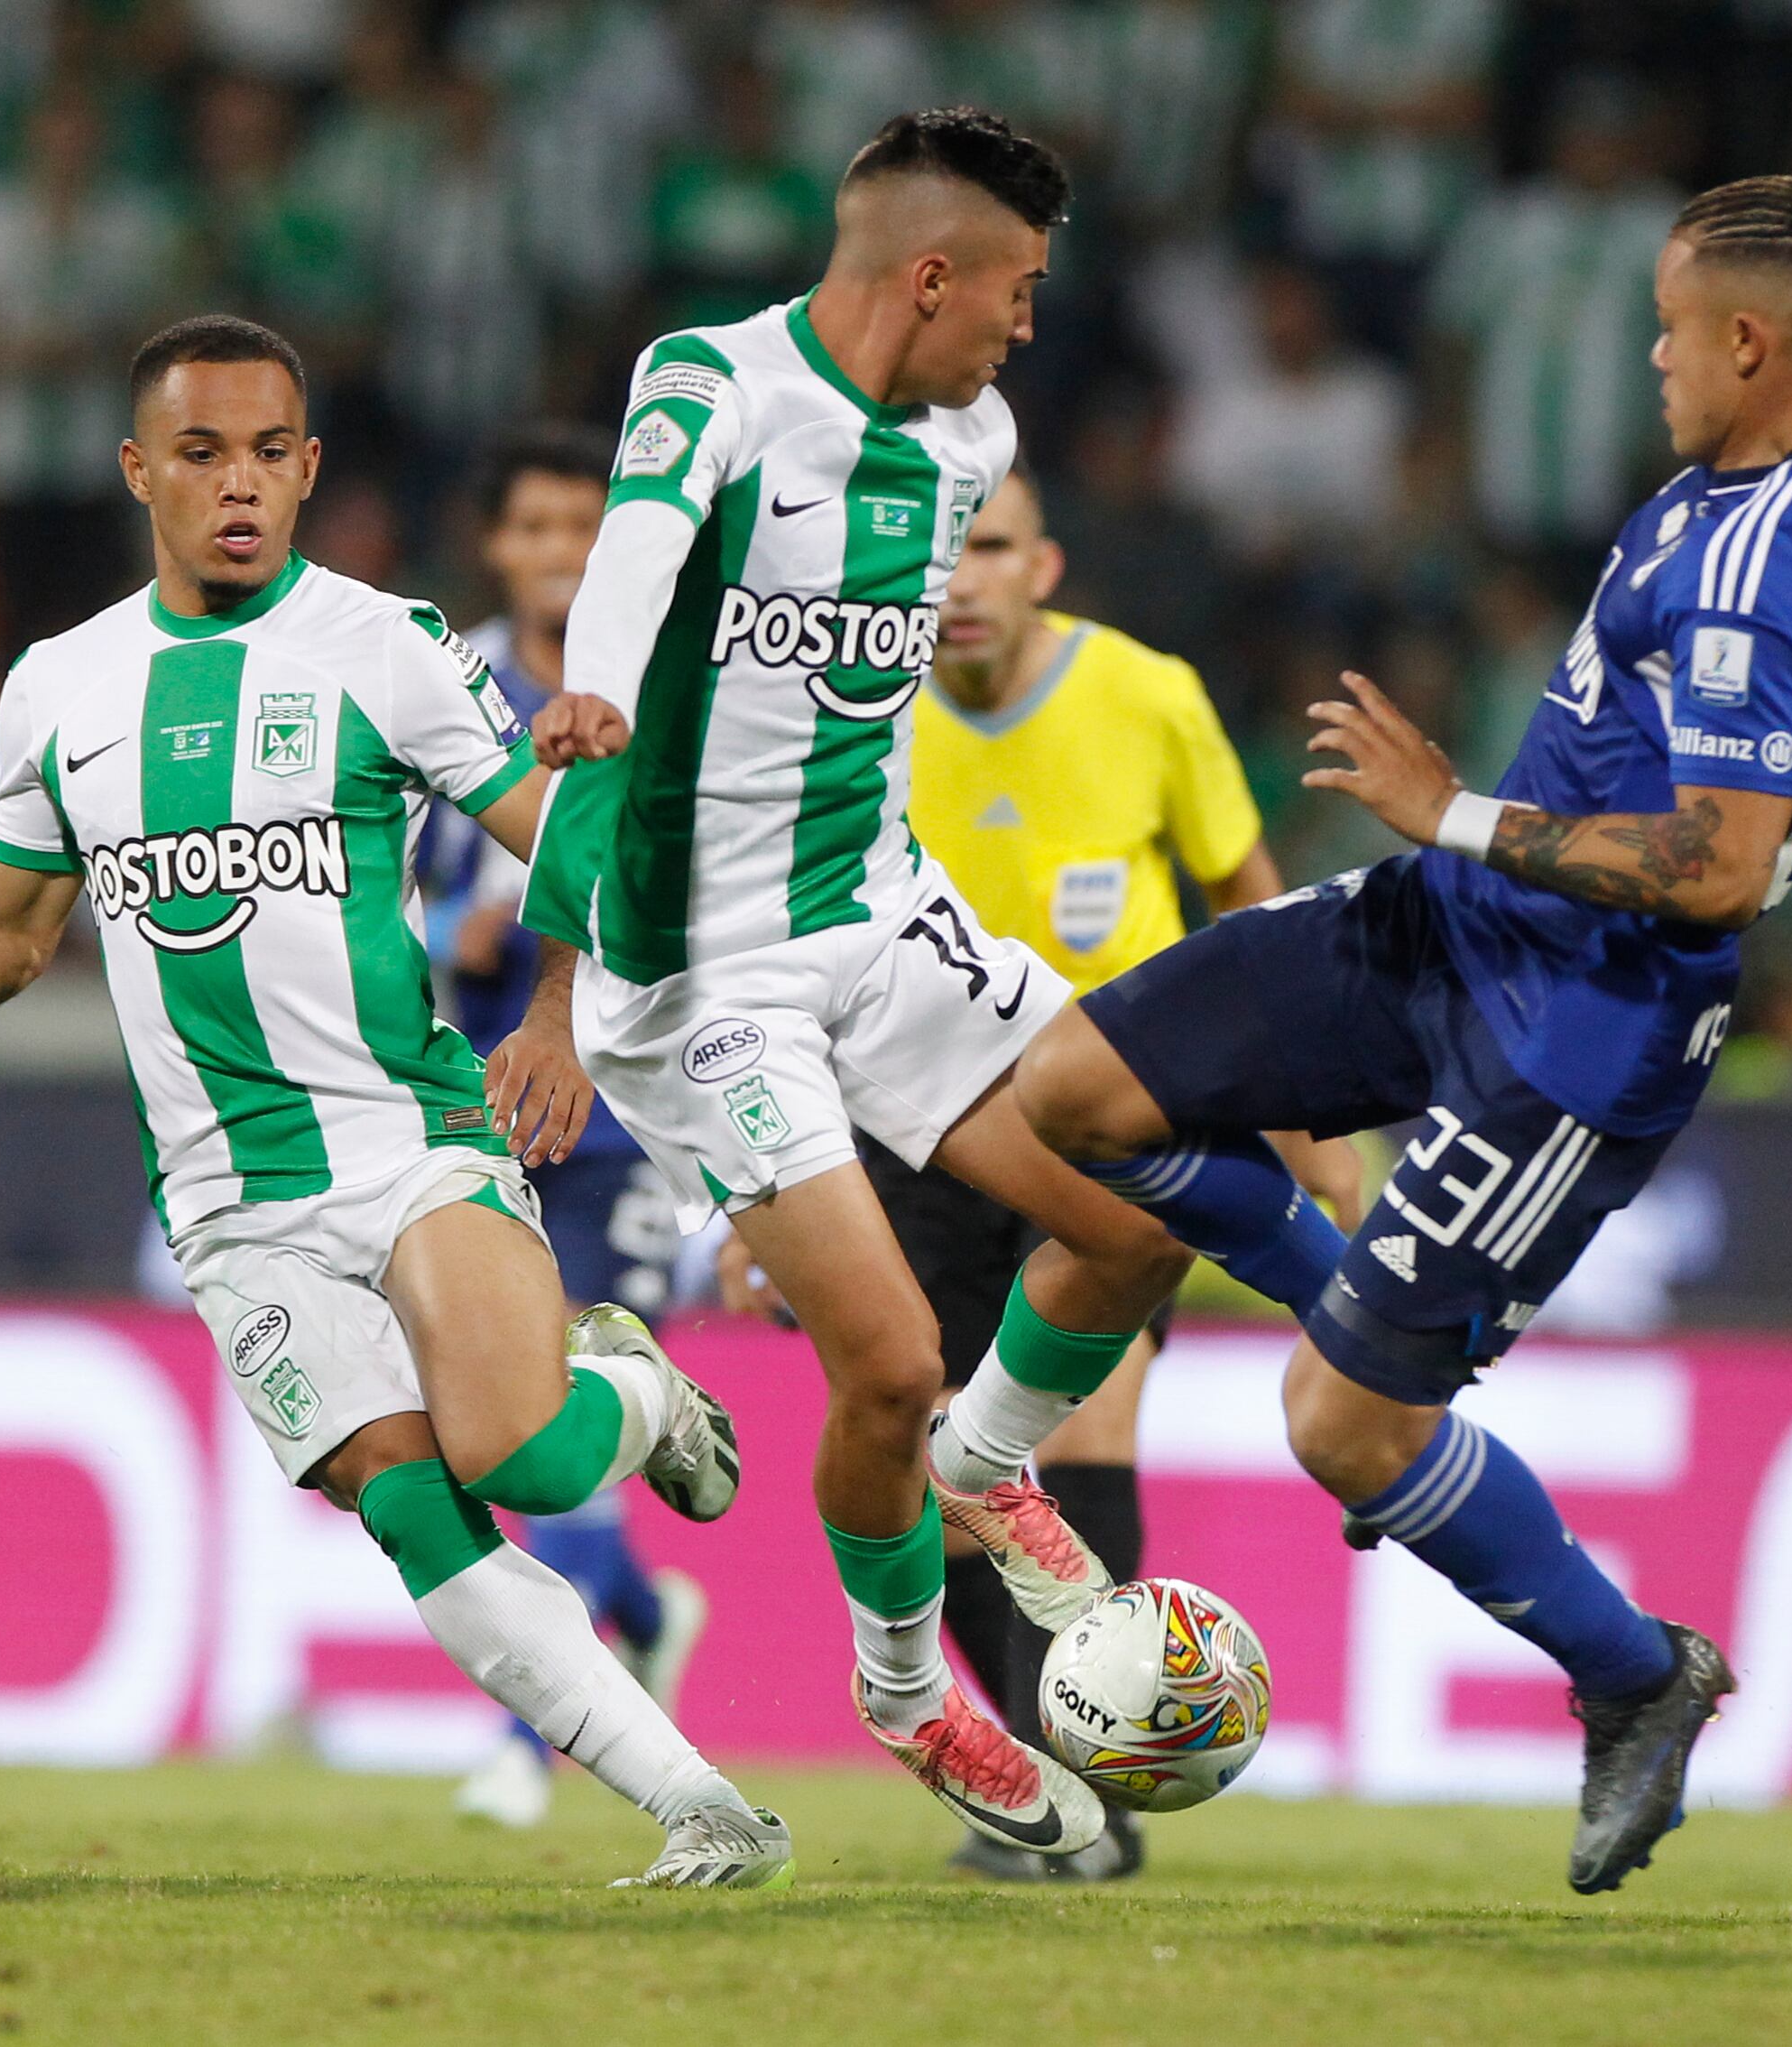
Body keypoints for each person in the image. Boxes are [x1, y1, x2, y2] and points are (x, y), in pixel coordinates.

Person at [1011, 174, 1792, 1894]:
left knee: (1345, 1428)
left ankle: (1635, 1673)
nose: (1653, 358)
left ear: (1753, 343)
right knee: (1073, 1089)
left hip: (1577, 1031)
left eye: (1674, 330)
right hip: (1455, 926)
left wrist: (1453, 809)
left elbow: (1718, 870)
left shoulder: (1768, 564)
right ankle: (1360, 1292)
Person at [0, 316, 789, 1892]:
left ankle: (639, 1400)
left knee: (522, 1448)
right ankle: (705, 1806)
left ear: (309, 467)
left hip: (408, 1134)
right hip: (230, 1201)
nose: (237, 483)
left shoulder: (388, 646)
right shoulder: (60, 687)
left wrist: (564, 1013)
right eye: (199, 452)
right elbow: (3, 933)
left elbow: (566, 828)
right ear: (137, 471)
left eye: (268, 452)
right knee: (417, 1512)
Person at [522, 108, 1197, 1857]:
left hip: (880, 916)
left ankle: (986, 1468)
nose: (1026, 327)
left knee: (1138, 1207)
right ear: (929, 275)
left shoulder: (969, 439)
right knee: (886, 1363)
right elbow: (635, 548)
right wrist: (597, 689)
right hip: (706, 974)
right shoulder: (714, 385)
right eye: (1018, 290)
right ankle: (906, 1694)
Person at [721, 459, 1360, 1880]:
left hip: (1117, 1128)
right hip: (906, 1128)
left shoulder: (1148, 697)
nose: (960, 582)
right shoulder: (849, 719)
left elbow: (1253, 912)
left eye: (992, 549)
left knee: (1068, 1444)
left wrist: (1324, 1138)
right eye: (943, 554)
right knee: (925, 1456)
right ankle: (1041, 1788)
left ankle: (1104, 1798)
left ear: (1044, 565)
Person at [423, 426, 710, 1832]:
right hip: (477, 1100)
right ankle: (644, 1613)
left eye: (583, 529)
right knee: (504, 1420)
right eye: (533, 527)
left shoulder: (669, 680)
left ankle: (523, 1748)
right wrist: (447, 925)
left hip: (638, 1113)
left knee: (549, 1394)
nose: (558, 552)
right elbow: (369, 878)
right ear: (495, 544)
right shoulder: (440, 679)